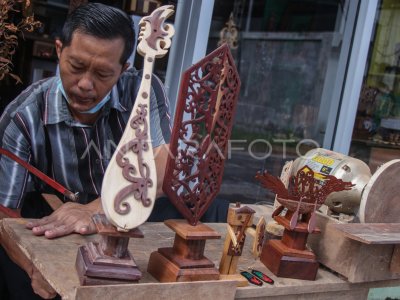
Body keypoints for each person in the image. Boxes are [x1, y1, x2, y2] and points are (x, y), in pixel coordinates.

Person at [0, 3, 172, 299]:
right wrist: (35, 268)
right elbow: (5, 214)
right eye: (76, 66)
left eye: (104, 73)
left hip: (125, 222)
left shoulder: (141, 90)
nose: (84, 84)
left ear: (123, 70)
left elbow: (163, 166)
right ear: (58, 50)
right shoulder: (23, 116)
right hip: (57, 224)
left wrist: (95, 209)